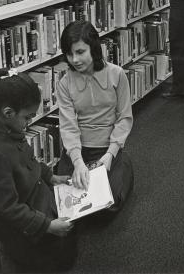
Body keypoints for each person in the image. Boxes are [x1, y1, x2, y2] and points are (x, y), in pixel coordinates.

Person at [0, 69, 75, 273]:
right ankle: (5, 253)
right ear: (8, 113)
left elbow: (29, 160)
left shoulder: (8, 126)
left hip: (36, 200)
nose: (29, 122)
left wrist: (51, 176)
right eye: (27, 117)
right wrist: (47, 226)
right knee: (57, 260)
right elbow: (9, 209)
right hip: (21, 225)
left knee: (68, 244)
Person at [56, 21, 134, 212]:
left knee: (107, 207)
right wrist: (77, 162)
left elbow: (124, 117)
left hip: (107, 149)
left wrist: (110, 154)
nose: (74, 59)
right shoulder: (65, 83)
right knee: (66, 205)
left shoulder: (117, 74)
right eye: (69, 54)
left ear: (94, 48)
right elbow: (68, 126)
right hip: (79, 150)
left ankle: (123, 165)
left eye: (80, 52)